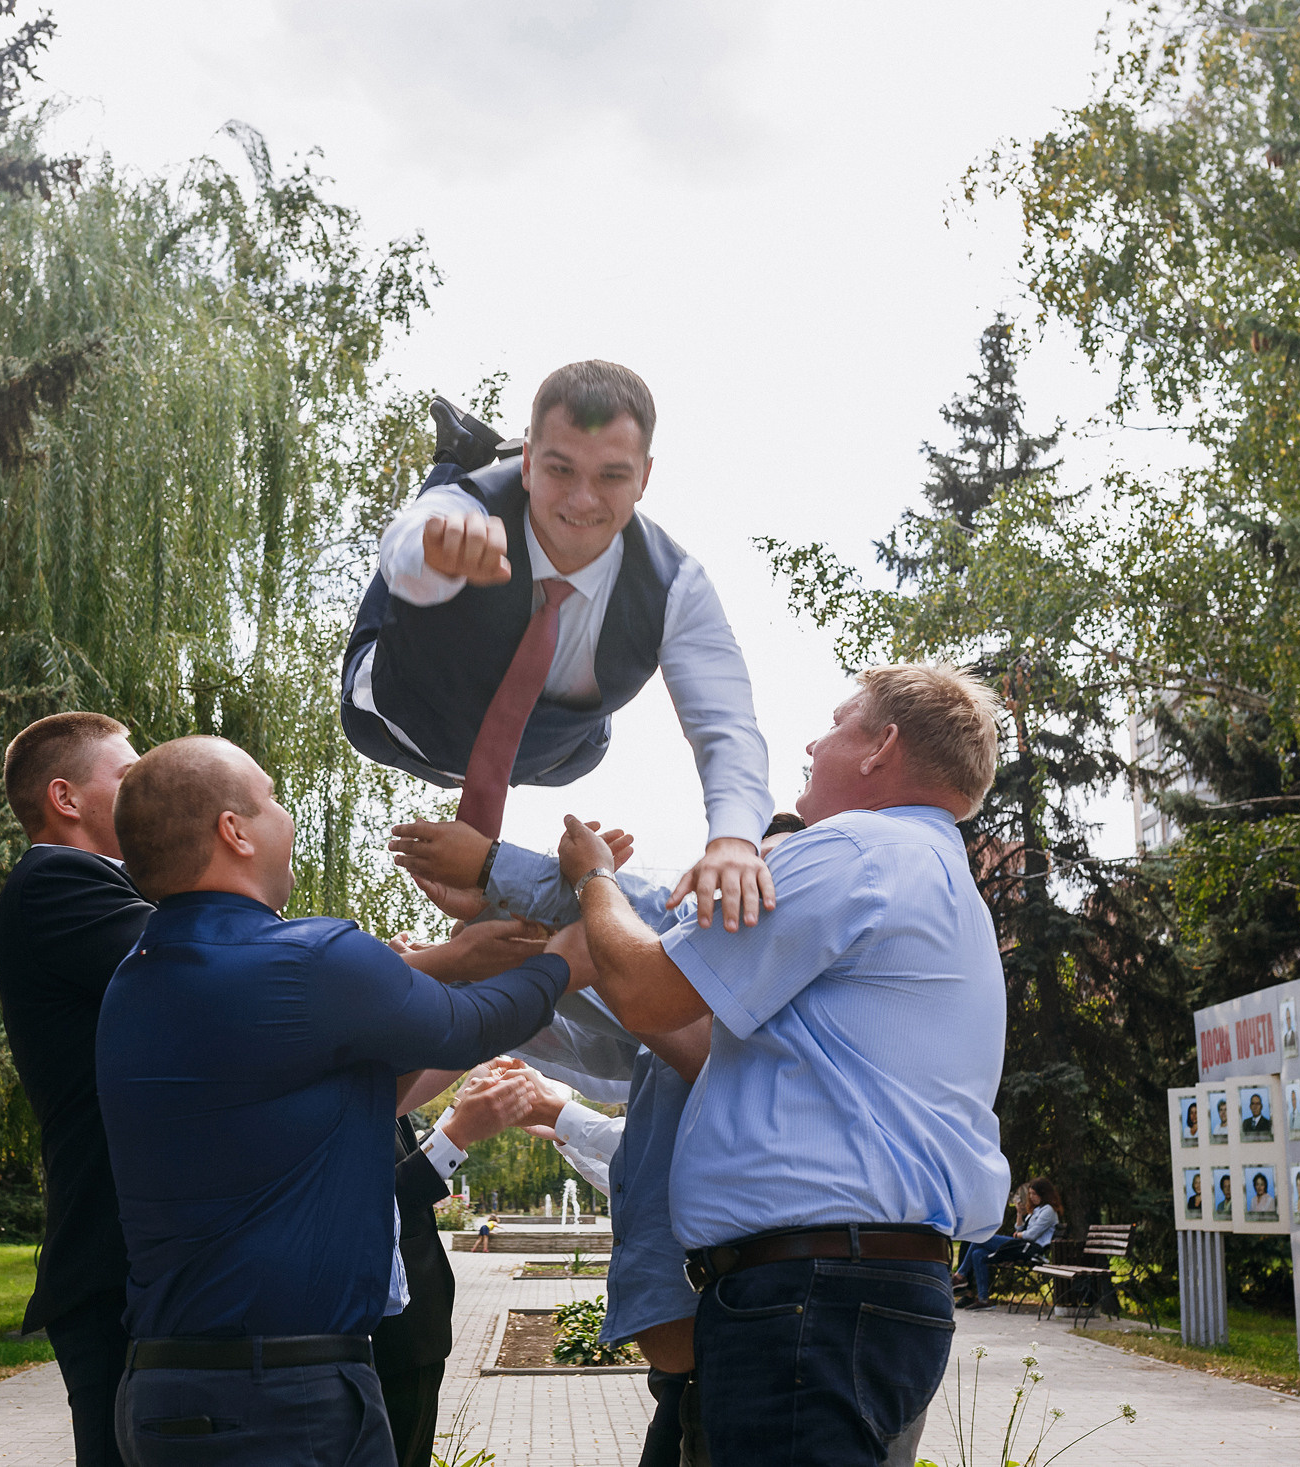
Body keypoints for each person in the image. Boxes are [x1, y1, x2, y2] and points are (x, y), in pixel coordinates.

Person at [549, 664, 1010, 1467]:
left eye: (837, 721)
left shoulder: (857, 850)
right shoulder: (940, 878)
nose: (811, 742)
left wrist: (593, 879)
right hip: (865, 1291)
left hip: (813, 1301)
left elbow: (651, 992)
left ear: (881, 747)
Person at [95, 736, 583, 1467]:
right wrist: (571, 953)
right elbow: (476, 1024)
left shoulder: (133, 981)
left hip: (162, 1392)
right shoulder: (310, 958)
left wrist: (461, 961)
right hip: (283, 1403)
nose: (286, 815)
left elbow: (356, 1096)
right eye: (271, 797)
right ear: (234, 829)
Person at [402, 812, 809, 1467]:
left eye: (763, 877)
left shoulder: (756, 1008)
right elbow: (584, 1018)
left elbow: (637, 969)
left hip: (748, 1367)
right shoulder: (697, 1004)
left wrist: (567, 883)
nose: (731, 893)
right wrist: (486, 938)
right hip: (695, 1384)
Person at [342, 362, 776, 934]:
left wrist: (735, 838)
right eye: (559, 468)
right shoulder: (471, 508)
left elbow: (727, 724)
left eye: (612, 476)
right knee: (404, 580)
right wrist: (431, 552)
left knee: (592, 726)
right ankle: (459, 455)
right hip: (399, 718)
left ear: (645, 478)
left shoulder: (677, 585)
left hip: (551, 753)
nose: (581, 499)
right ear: (525, 462)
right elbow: (406, 544)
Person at [0, 712, 149, 1467]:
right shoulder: (57, 878)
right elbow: (208, 958)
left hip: (131, 1263)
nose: (149, 789)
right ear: (66, 796)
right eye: (128, 777)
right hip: (112, 1260)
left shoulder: (105, 887)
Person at [374, 1064, 541, 1467]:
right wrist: (457, 1133)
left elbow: (399, 1170)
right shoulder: (347, 1084)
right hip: (388, 1340)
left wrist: (459, 1112)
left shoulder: (380, 1087)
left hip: (413, 1338)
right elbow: (372, 1203)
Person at [954, 1179, 1060, 1310]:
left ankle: (960, 1275)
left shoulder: (1048, 1210)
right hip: (1022, 1245)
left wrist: (1017, 1235)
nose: (1031, 1197)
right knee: (978, 1254)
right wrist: (1019, 1214)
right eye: (1030, 1194)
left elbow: (1031, 1235)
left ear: (1044, 1194)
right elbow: (1020, 1229)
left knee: (980, 1238)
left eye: (1034, 1194)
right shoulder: (1038, 1209)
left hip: (1030, 1249)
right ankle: (983, 1299)